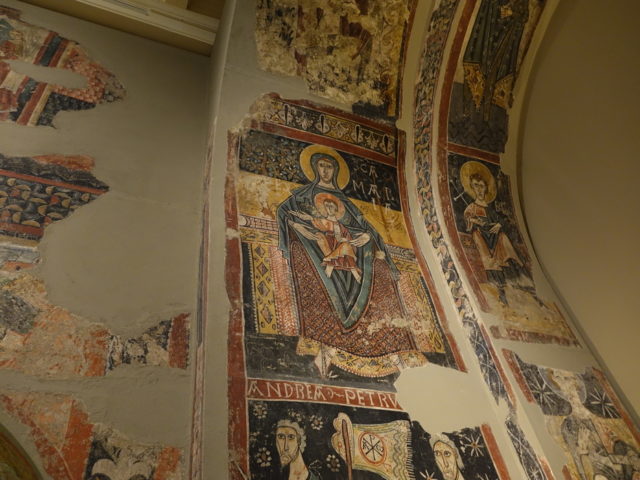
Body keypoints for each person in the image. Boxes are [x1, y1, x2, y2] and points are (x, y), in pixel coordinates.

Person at [277, 145, 397, 329]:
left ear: (336, 170)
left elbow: (364, 226)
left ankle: (357, 305)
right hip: (320, 241)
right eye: (322, 166)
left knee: (362, 246)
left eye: (329, 166)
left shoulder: (345, 201)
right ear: (315, 168)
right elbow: (284, 212)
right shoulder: (303, 195)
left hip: (346, 243)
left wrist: (367, 235)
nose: (325, 171)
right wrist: (295, 226)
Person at [460, 160, 533, 305]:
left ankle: (520, 283)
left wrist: (499, 224)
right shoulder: (471, 208)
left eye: (482, 186)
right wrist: (474, 221)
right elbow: (467, 220)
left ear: (486, 188)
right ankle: (501, 292)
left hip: (495, 237)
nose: (479, 190)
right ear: (472, 188)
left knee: (504, 240)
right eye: (476, 186)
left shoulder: (491, 208)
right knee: (486, 254)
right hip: (482, 238)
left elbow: (501, 220)